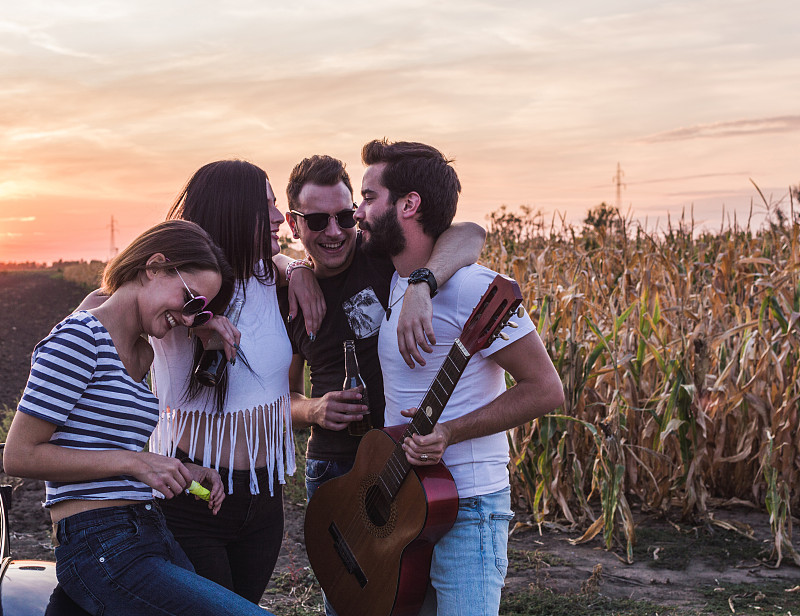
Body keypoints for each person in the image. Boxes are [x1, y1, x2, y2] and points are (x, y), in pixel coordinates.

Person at [3, 220, 276, 616]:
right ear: (154, 266)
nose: (187, 317)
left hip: (149, 531)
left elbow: (103, 445)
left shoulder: (143, 353)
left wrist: (181, 469)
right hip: (100, 544)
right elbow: (19, 455)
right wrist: (138, 461)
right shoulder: (81, 337)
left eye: (199, 309)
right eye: (190, 300)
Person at [354, 139, 565, 616]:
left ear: (409, 204)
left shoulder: (474, 287)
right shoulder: (390, 277)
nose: (358, 211)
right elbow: (469, 230)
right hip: (401, 503)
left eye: (369, 197)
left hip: (467, 507)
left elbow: (546, 389)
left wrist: (449, 432)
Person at [279, 154, 486, 616]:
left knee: (411, 594)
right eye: (316, 220)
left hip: (401, 457)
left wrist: (420, 285)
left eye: (345, 215)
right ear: (294, 224)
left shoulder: (381, 255)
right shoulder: (286, 295)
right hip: (335, 466)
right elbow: (282, 398)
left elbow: (471, 233)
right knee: (352, 600)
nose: (334, 231)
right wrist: (313, 409)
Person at [147, 160, 322, 603]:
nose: (281, 218)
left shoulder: (270, 277)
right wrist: (194, 318)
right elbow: (105, 301)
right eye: (266, 207)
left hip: (264, 498)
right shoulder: (175, 288)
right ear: (232, 211)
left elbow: (283, 260)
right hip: (196, 494)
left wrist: (297, 267)